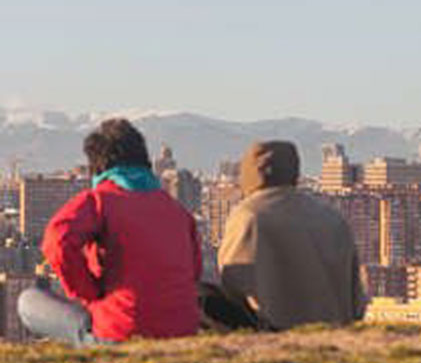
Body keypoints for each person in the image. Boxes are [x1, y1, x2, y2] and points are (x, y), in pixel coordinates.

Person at [19, 119, 202, 346]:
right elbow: (194, 272)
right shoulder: (178, 211)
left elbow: (57, 240)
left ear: (97, 168)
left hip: (118, 334)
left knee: (28, 301)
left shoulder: (100, 201)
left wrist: (88, 292)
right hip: (183, 334)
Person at [205, 140, 365, 331]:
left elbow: (234, 285)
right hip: (336, 333)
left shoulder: (249, 215)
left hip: (270, 332)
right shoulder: (331, 217)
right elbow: (357, 300)